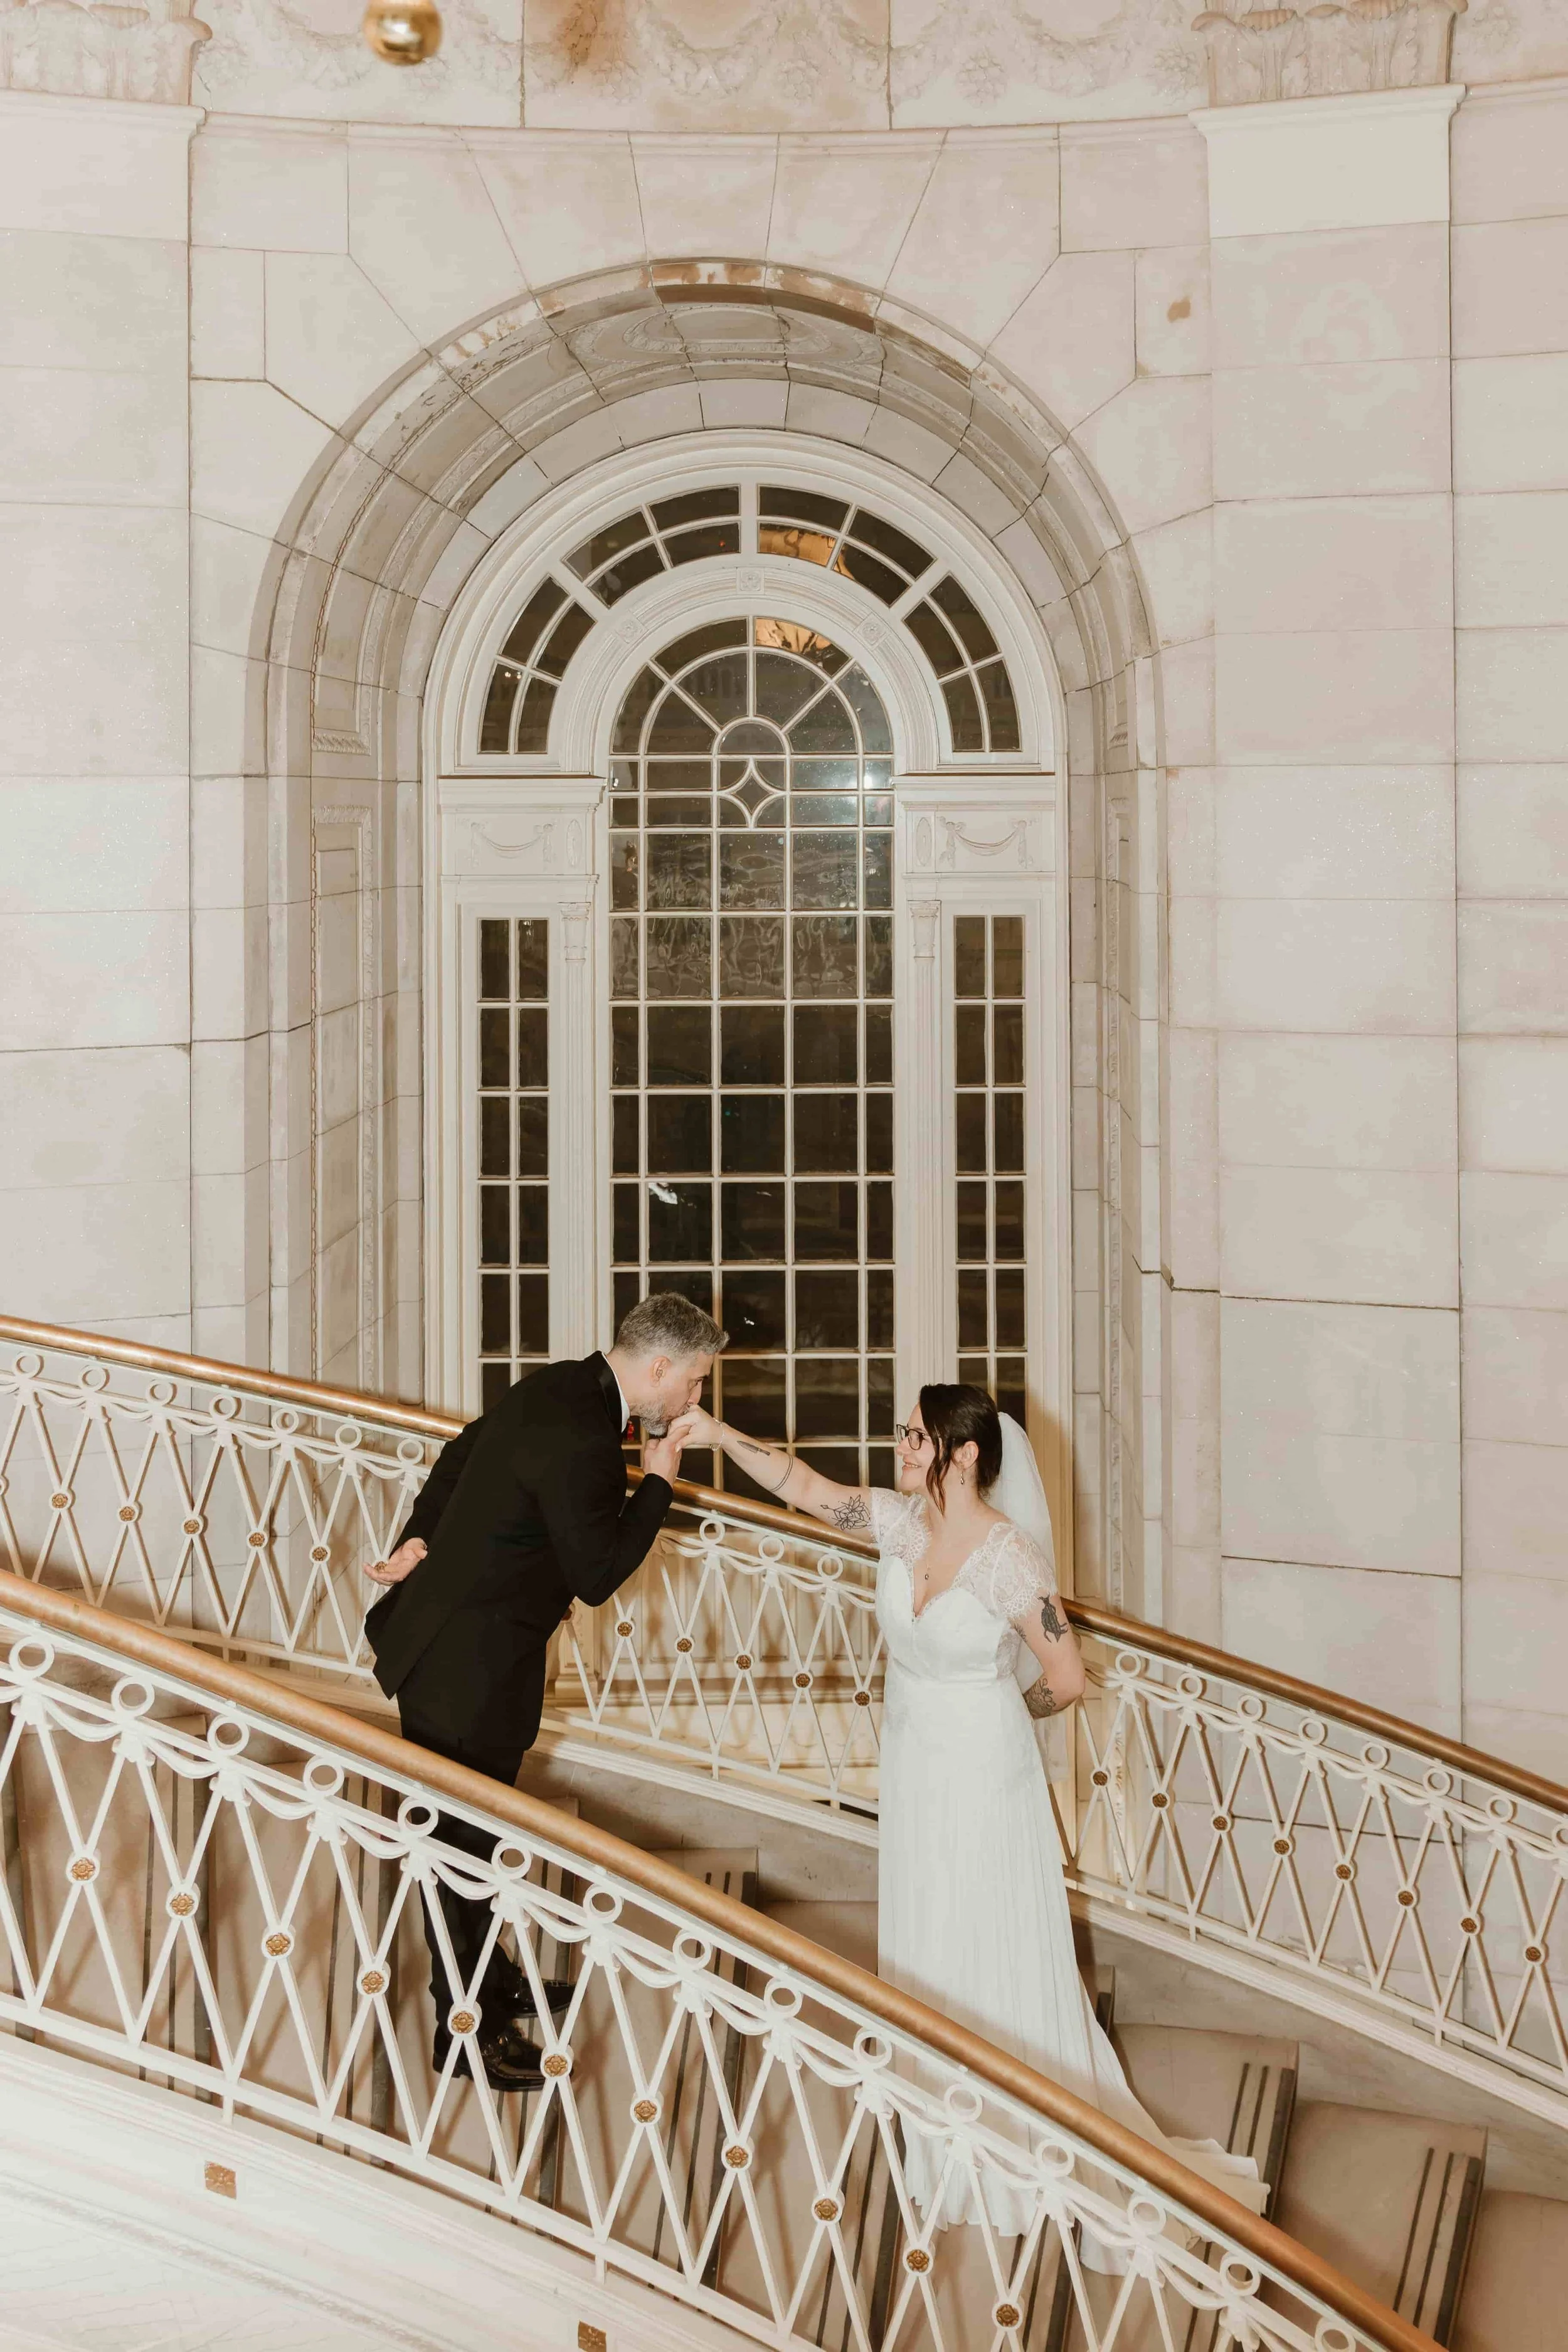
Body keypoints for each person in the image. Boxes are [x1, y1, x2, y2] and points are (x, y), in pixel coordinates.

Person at [675, 1383, 1265, 2242]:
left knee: (984, 1925)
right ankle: (939, 2107)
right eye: (905, 1433)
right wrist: (717, 1430)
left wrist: (998, 1716)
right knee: (930, 1922)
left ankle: (1015, 2131)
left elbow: (1065, 1678)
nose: (902, 1446)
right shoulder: (898, 1522)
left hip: (984, 1763)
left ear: (965, 1454)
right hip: (917, 1756)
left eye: (917, 1437)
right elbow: (801, 1484)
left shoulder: (1009, 1559)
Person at [363, 1293, 725, 2090]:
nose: (695, 1399)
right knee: (462, 1852)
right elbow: (597, 1576)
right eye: (695, 1383)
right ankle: (464, 2035)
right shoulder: (586, 1438)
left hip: (460, 1649)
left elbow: (460, 1454)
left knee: (472, 1840)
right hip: (467, 1667)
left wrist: (415, 1538)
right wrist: (658, 1483)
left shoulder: (559, 1385)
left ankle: (490, 1987)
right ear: (659, 1368)